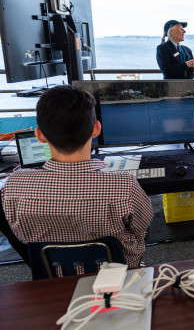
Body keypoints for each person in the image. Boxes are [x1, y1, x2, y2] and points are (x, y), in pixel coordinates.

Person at [1, 85, 153, 268]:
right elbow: (142, 228)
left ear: (39, 135)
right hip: (118, 274)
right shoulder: (124, 185)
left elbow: (21, 236)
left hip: (52, 279)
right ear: (96, 129)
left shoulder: (14, 186)